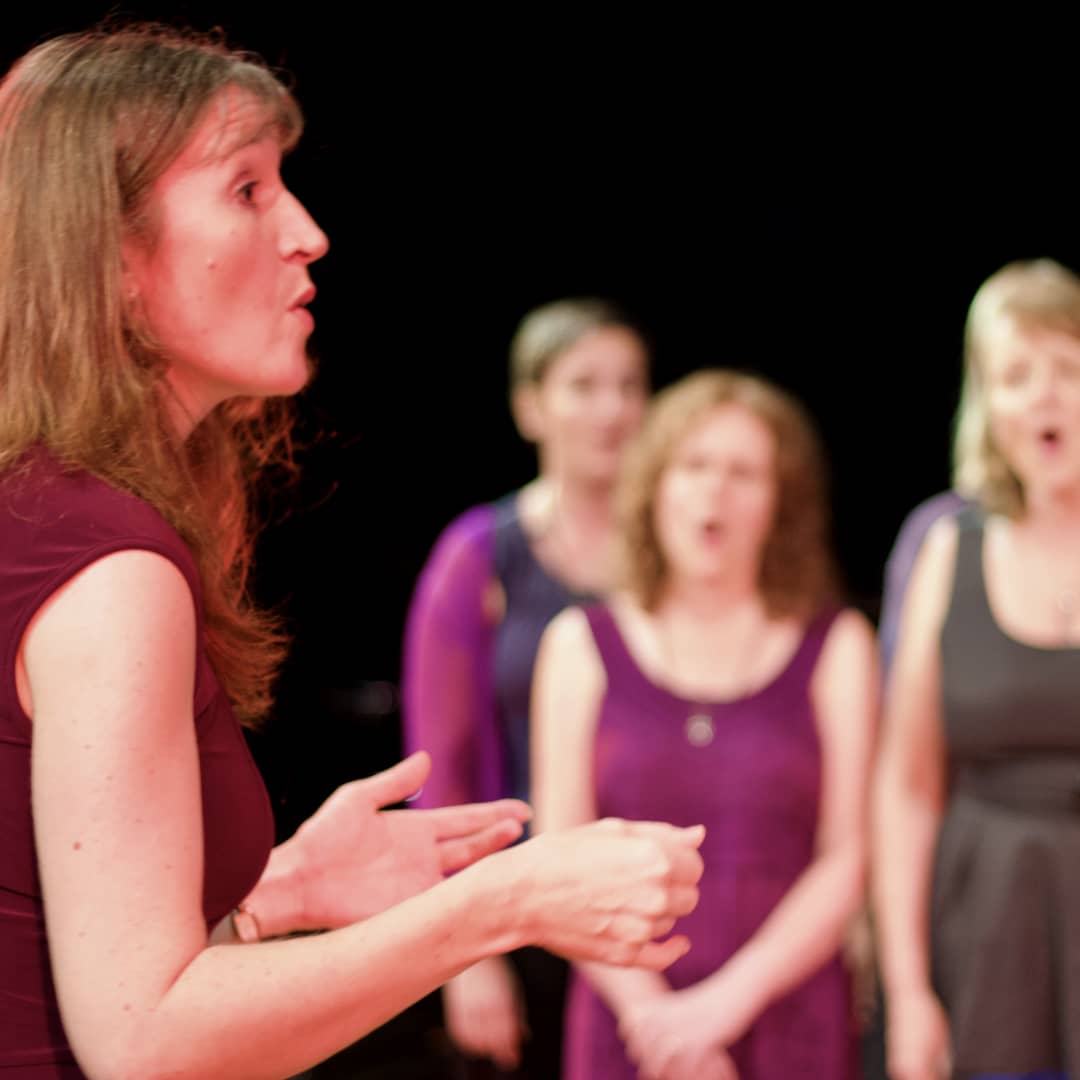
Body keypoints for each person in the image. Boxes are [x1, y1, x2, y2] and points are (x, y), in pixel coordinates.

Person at [0, 26, 708, 1079]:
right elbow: (144, 1042)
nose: (309, 233)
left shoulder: (51, 511)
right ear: (111, 255)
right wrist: (504, 903)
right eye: (246, 190)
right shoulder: (112, 572)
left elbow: (59, 941)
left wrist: (281, 892)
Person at [531, 369, 879, 1079]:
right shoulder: (578, 643)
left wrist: (720, 1008)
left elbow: (847, 857)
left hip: (788, 1015)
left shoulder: (839, 646)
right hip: (629, 1027)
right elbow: (557, 851)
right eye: (694, 466)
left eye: (744, 472)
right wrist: (655, 1021)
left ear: (781, 502)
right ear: (654, 486)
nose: (714, 491)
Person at [400, 296, 650, 1075]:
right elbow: (440, 769)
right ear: (530, 406)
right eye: (584, 386)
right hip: (529, 918)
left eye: (629, 385)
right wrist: (467, 956)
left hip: (661, 899)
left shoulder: (677, 552)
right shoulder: (481, 556)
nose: (611, 409)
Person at [873, 258, 1080, 1080]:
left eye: (1069, 368)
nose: (1044, 395)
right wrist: (908, 990)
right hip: (990, 929)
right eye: (1016, 375)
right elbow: (907, 786)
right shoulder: (945, 549)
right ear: (985, 403)